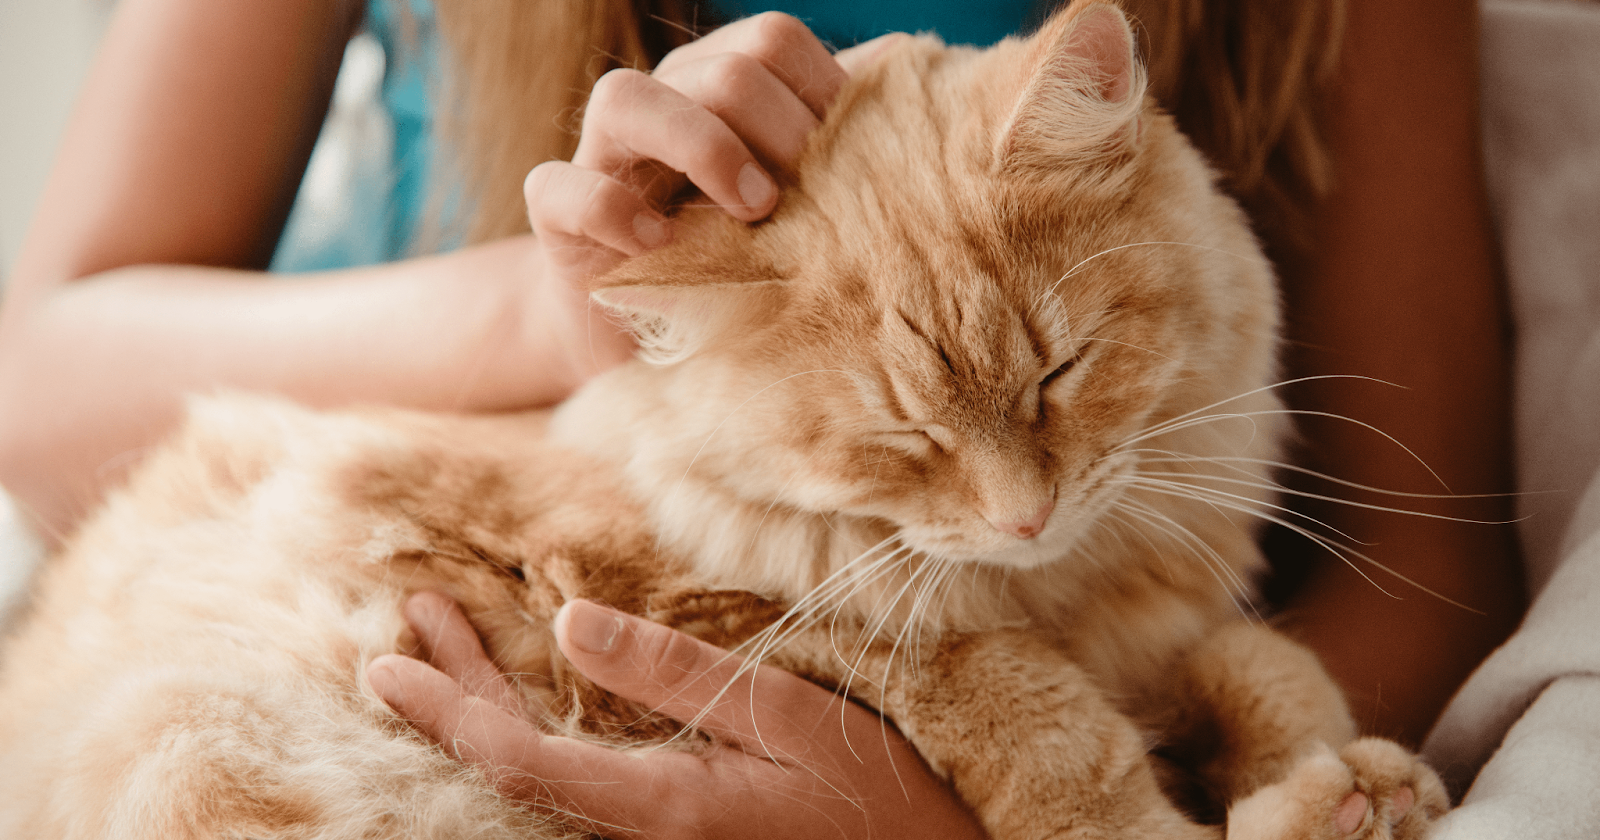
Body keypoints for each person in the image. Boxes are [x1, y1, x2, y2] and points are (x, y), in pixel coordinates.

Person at [0, 0, 1524, 836]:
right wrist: (560, 315)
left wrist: (945, 817)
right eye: (921, 440)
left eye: (1049, 396)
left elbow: (1427, 553)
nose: (1015, 506)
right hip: (385, 524)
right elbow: (37, 386)